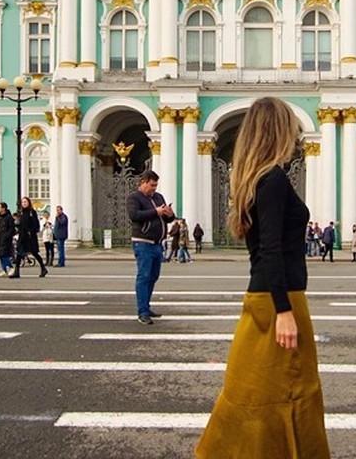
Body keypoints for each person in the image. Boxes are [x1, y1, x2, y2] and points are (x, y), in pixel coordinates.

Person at [196, 97, 330, 459]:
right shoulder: (272, 179)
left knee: (259, 392)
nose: (296, 133)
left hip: (267, 298)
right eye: (290, 125)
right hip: (279, 299)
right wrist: (284, 310)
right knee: (289, 390)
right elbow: (270, 249)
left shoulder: (258, 178)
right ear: (277, 130)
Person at [127, 169, 174, 325]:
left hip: (157, 244)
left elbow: (167, 220)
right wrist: (156, 211)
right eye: (152, 185)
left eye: (156, 185)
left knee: (153, 277)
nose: (154, 188)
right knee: (144, 276)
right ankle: (142, 312)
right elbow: (134, 216)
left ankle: (146, 307)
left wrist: (169, 214)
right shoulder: (134, 197)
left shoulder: (158, 197)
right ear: (143, 182)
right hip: (142, 242)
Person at [13, 196, 47, 278]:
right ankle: (16, 272)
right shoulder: (21, 213)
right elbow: (20, 224)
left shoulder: (32, 212)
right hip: (22, 237)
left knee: (35, 253)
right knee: (19, 254)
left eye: (25, 202)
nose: (24, 203)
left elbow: (36, 225)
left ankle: (43, 268)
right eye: (23, 202)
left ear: (28, 203)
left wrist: (30, 231)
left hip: (30, 237)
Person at [0, 202, 16, 277]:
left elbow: (11, 229)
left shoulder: (9, 217)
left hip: (6, 239)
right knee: (0, 255)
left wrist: (7, 236)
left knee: (4, 254)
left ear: (3, 208)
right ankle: (4, 270)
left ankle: (11, 267)